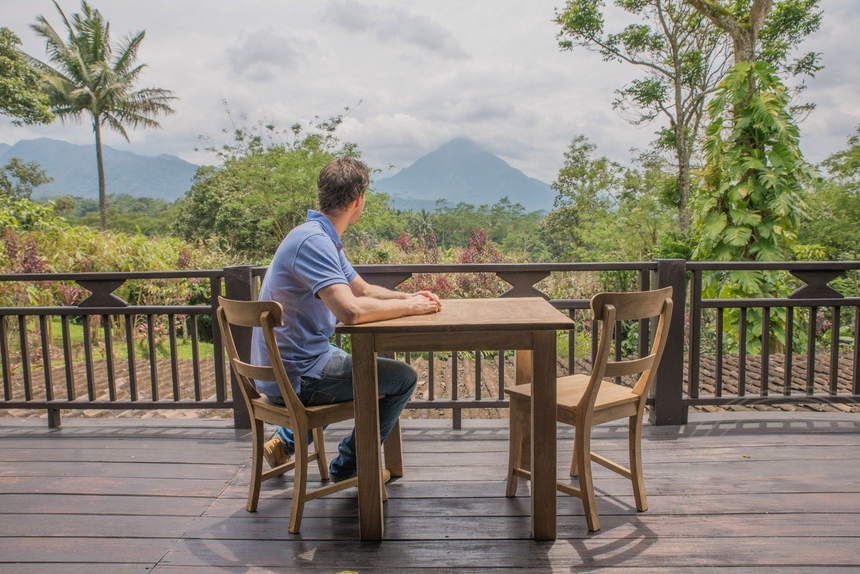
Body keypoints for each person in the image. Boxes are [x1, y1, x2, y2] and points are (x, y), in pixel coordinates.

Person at [250, 157, 441, 483]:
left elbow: (362, 289)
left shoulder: (317, 236)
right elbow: (350, 312)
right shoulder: (314, 243)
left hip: (295, 365)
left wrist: (409, 298)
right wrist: (410, 309)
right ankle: (351, 467)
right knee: (403, 378)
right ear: (358, 201)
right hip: (297, 376)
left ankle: (285, 442)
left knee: (358, 369)